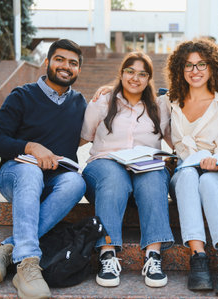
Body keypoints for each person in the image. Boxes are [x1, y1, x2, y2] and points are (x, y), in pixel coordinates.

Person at [0, 39, 87, 299]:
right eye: (60, 59)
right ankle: (27, 263)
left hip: (54, 181)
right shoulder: (22, 95)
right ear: (47, 62)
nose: (66, 66)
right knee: (30, 172)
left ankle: (7, 249)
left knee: (77, 182)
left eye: (72, 63)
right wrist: (31, 147)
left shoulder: (79, 103)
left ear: (78, 70)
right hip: (16, 175)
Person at [80, 51, 174, 288]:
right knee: (114, 179)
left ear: (149, 79)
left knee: (154, 177)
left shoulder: (159, 106)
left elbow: (176, 142)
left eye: (143, 74)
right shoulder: (103, 100)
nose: (135, 78)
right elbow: (82, 137)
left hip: (144, 167)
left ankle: (153, 256)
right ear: (121, 73)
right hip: (104, 166)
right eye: (130, 71)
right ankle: (107, 254)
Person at [163, 38, 218, 296]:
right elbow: (133, 97)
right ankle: (198, 258)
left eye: (201, 65)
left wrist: (215, 162)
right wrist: (107, 89)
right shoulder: (170, 102)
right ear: (180, 70)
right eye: (188, 65)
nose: (195, 71)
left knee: (206, 181)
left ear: (212, 68)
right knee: (185, 175)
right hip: (185, 177)